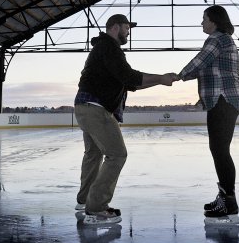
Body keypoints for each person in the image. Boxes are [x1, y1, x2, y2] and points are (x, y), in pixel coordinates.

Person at [74, 13, 174, 225]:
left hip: (85, 107)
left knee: (93, 154)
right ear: (115, 27)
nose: (129, 31)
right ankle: (96, 208)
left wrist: (160, 81)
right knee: (117, 154)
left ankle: (84, 201)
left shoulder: (103, 48)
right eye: (127, 27)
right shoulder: (109, 47)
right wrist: (160, 78)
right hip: (96, 108)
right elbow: (129, 76)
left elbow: (129, 84)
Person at [174, 5, 239, 218]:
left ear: (213, 20)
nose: (201, 22)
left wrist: (178, 76)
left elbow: (200, 61)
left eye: (204, 18)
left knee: (220, 150)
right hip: (223, 101)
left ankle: (228, 202)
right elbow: (208, 69)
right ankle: (225, 197)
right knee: (219, 150)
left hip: (224, 101)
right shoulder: (222, 40)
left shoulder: (217, 39)